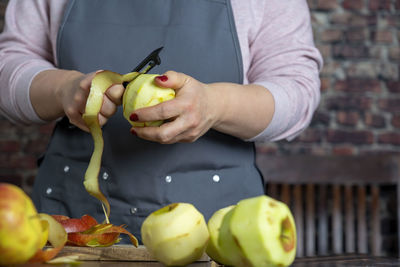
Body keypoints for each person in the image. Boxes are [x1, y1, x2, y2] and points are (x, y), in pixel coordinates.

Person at [0, 0, 322, 243]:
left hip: (217, 234)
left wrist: (215, 105)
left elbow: (297, 91)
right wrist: (62, 89)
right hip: (74, 226)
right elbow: (10, 63)